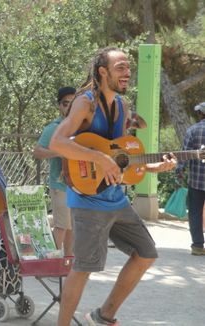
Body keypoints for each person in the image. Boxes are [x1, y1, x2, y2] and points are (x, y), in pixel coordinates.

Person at [49, 47, 177, 326]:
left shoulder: (122, 106)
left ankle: (103, 315)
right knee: (83, 268)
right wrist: (97, 157)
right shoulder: (85, 103)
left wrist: (154, 167)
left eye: (128, 67)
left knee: (146, 253)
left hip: (116, 199)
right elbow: (57, 143)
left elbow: (121, 158)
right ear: (102, 71)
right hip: (88, 200)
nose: (127, 72)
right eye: (120, 67)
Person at [33, 86, 76, 256]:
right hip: (60, 185)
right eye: (65, 104)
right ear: (59, 106)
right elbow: (37, 151)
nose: (69, 107)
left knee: (71, 227)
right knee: (61, 226)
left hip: (78, 186)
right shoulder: (54, 128)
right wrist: (59, 152)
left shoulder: (81, 126)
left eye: (73, 104)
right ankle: (54, 262)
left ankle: (68, 263)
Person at [176, 102, 205, 256]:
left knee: (195, 212)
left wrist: (179, 172)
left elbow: (184, 155)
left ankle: (198, 246)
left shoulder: (192, 131)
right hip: (197, 181)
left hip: (197, 181)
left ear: (201, 114)